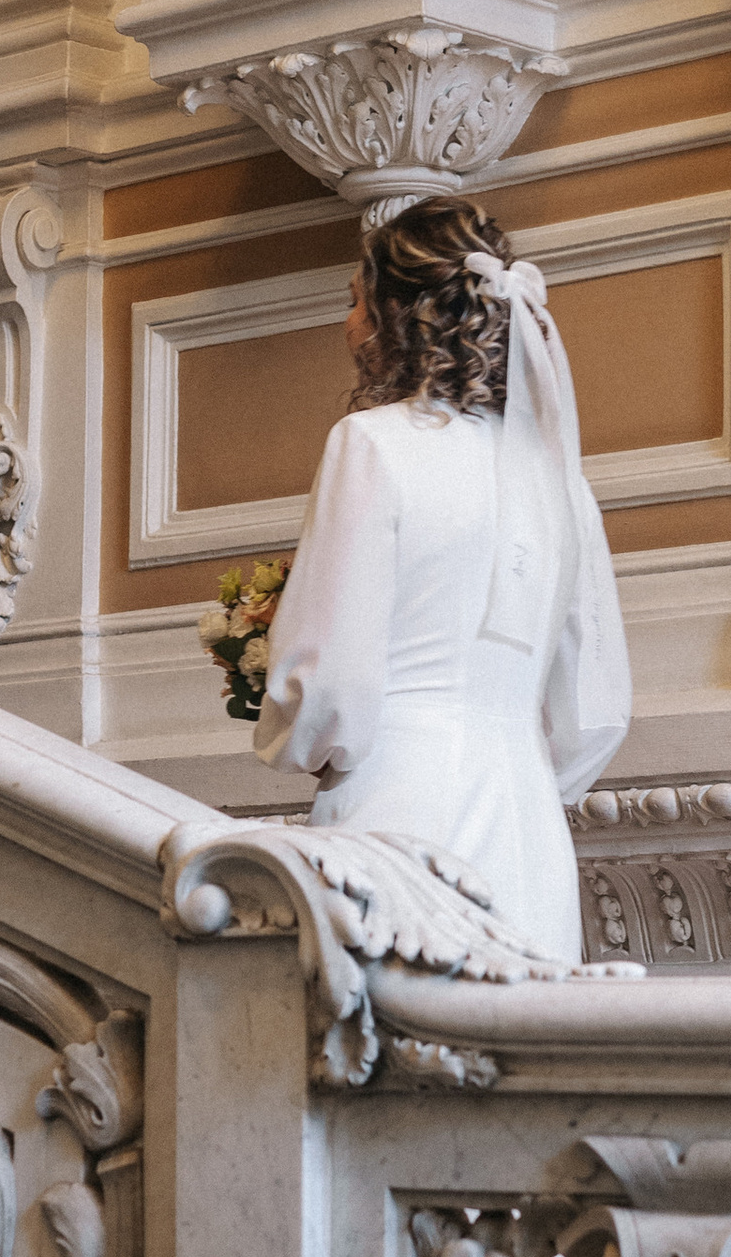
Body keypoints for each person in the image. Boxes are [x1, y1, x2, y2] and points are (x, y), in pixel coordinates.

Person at [254, 195, 630, 959]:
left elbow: (329, 683)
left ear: (397, 315)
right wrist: (514, 755)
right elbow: (595, 706)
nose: (347, 322)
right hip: (528, 825)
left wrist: (299, 736)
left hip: (396, 812)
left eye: (355, 300)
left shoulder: (371, 444)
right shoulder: (561, 482)